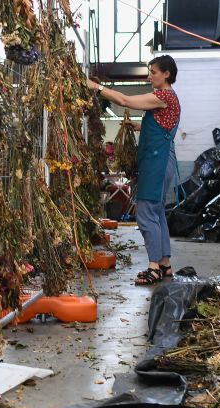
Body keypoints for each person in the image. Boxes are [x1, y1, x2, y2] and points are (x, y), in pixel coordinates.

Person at [86, 55, 180, 285]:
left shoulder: (163, 96)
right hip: (163, 161)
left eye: (154, 72)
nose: (150, 76)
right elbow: (160, 127)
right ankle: (165, 264)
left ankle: (153, 267)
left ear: (167, 74)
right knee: (157, 214)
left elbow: (124, 100)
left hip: (156, 164)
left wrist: (96, 87)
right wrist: (138, 126)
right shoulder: (170, 99)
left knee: (146, 213)